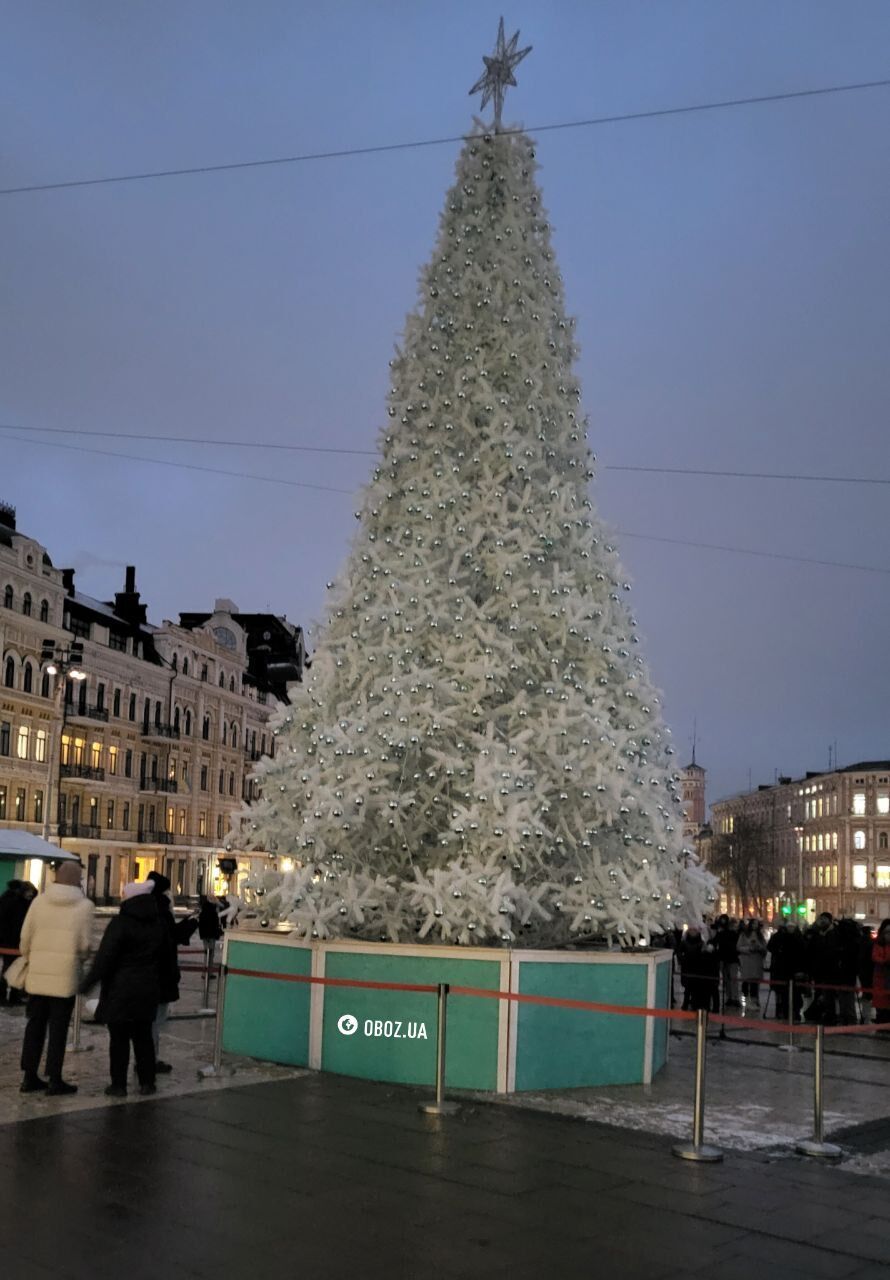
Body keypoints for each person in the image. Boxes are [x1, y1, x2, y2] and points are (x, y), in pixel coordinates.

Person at [81, 881, 168, 1098]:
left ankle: (118, 1085)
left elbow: (105, 958)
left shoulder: (120, 924)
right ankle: (147, 1083)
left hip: (120, 990)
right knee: (143, 1037)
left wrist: (88, 982)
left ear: (128, 899)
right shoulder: (158, 924)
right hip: (147, 989)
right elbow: (166, 959)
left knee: (118, 1039)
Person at [17, 862, 94, 1094]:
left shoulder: (39, 902)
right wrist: (78, 958)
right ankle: (54, 1078)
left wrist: (34, 957)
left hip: (38, 977)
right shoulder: (84, 907)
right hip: (65, 977)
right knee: (58, 1029)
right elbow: (84, 945)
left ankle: (29, 1076)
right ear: (78, 880)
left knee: (34, 1026)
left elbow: (24, 940)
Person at [145, 871, 181, 1074]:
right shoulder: (163, 912)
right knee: (155, 1021)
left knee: (148, 1021)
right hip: (161, 974)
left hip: (145, 974)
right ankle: (150, 1059)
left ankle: (146, 1058)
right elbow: (170, 940)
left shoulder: (143, 909)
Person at [0, 880, 37, 1006]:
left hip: (10, 942)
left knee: (13, 968)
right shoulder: (17, 903)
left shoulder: (8, 900)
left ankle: (8, 996)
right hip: (12, 942)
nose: (31, 894)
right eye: (29, 891)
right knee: (11, 969)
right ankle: (9, 996)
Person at [767, 920, 805, 1021]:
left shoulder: (799, 938)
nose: (790, 929)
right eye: (789, 927)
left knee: (796, 994)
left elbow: (803, 955)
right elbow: (771, 947)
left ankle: (795, 1012)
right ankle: (785, 1012)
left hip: (795, 970)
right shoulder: (781, 937)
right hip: (783, 970)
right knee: (784, 994)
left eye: (792, 927)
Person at [677, 927, 719, 1012]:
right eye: (691, 930)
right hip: (688, 967)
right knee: (688, 987)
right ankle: (686, 1004)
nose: (693, 932)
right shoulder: (684, 942)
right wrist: (683, 960)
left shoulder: (701, 943)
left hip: (698, 968)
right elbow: (679, 953)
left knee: (695, 987)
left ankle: (695, 1004)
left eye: (695, 930)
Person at [737, 919, 767, 1011]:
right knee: (746, 982)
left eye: (757, 924)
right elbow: (739, 947)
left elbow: (765, 947)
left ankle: (754, 1001)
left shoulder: (760, 936)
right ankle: (746, 1001)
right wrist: (749, 949)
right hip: (747, 961)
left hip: (757, 961)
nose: (755, 926)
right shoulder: (744, 935)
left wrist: (759, 948)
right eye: (753, 924)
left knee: (755, 983)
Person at [871, 919, 890, 1025]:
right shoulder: (878, 944)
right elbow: (875, 957)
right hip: (881, 978)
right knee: (881, 1003)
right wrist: (885, 961)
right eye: (887, 932)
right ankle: (881, 1020)